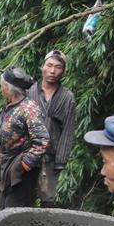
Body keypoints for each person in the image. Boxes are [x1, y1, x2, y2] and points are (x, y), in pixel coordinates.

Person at [0, 67, 50, 209]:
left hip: (21, 172)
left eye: (2, 86)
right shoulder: (11, 105)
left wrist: (24, 164)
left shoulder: (28, 109)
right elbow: (9, 131)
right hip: (9, 164)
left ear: (9, 89)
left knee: (14, 212)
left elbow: (42, 140)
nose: (1, 89)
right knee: (3, 208)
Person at [27, 50, 75, 206]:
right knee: (23, 196)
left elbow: (67, 131)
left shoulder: (67, 98)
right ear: (42, 67)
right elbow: (13, 121)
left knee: (48, 199)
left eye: (58, 67)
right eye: (49, 65)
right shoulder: (28, 91)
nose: (52, 71)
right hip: (26, 153)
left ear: (63, 71)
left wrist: (60, 162)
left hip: (50, 158)